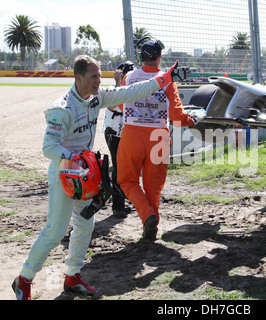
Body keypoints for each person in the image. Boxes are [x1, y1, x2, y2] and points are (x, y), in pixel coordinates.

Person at [12, 54, 186, 300]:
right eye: (94, 76)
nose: (98, 80)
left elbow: (131, 92)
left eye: (99, 75)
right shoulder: (61, 108)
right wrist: (77, 159)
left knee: (85, 225)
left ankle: (73, 276)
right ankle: (24, 280)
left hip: (86, 175)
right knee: (56, 229)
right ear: (78, 77)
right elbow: (49, 148)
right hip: (64, 173)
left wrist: (164, 78)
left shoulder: (97, 97)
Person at [117, 39, 200, 240]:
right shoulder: (167, 79)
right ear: (159, 58)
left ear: (140, 57)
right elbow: (177, 116)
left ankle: (147, 217)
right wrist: (193, 121)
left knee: (127, 180)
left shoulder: (129, 77)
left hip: (132, 135)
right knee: (153, 186)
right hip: (159, 137)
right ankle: (150, 225)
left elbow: (120, 106)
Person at [102, 61, 134, 218]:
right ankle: (117, 206)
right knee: (118, 169)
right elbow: (112, 104)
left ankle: (122, 198)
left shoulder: (132, 89)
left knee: (126, 168)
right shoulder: (113, 90)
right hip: (114, 134)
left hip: (127, 135)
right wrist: (117, 83)